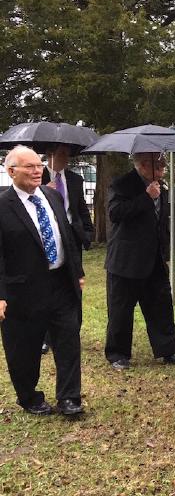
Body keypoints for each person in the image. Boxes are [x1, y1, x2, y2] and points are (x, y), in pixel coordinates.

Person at [0, 146, 84, 416]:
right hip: (22, 289)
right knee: (24, 347)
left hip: (61, 283)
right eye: (30, 167)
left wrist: (77, 272)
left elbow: (66, 236)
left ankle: (69, 398)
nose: (38, 171)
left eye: (39, 165)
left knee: (68, 340)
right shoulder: (3, 206)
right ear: (11, 171)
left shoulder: (52, 195)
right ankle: (29, 397)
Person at [104, 152, 175, 370]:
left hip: (154, 259)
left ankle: (168, 350)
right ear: (145, 165)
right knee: (121, 309)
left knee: (161, 306)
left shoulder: (160, 187)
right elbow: (115, 213)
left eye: (163, 166)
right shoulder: (121, 184)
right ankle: (118, 354)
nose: (163, 170)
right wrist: (146, 197)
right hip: (126, 260)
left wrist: (165, 254)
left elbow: (160, 223)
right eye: (159, 166)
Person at [40, 142, 95, 354]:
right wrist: (44, 191)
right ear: (50, 154)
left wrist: (87, 233)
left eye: (68, 154)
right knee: (48, 286)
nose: (66, 158)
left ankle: (72, 330)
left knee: (73, 285)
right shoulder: (39, 177)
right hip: (48, 238)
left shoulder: (74, 179)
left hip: (72, 238)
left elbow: (80, 209)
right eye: (62, 154)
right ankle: (46, 336)